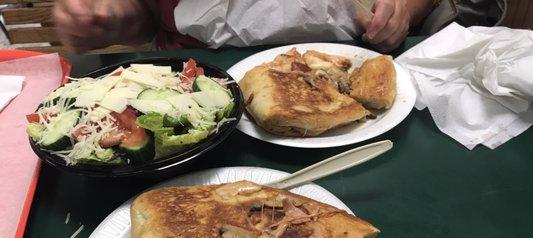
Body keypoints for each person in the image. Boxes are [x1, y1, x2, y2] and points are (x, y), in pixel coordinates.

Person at [52, 0, 503, 54]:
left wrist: (404, 7)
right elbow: (146, 20)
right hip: (203, 81)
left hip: (366, 61)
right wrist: (107, 20)